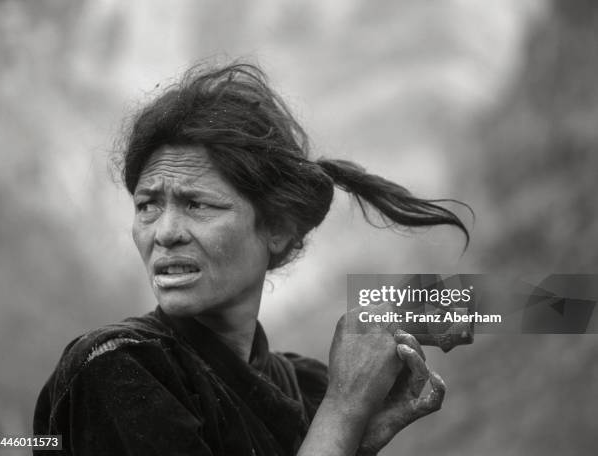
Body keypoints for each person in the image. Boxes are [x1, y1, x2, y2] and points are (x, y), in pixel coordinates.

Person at [33, 62, 469, 455]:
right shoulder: (116, 369)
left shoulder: (308, 388)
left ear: (277, 228)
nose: (164, 233)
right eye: (147, 204)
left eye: (197, 204)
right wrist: (345, 412)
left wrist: (356, 440)